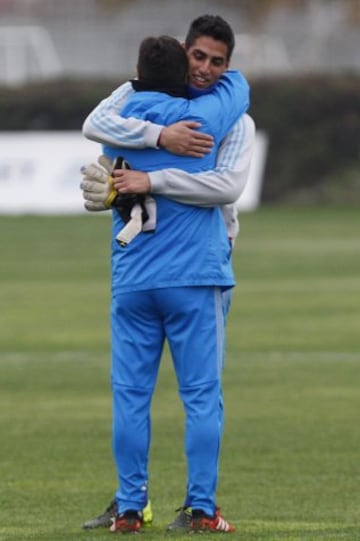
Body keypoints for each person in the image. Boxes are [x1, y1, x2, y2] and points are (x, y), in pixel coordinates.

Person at [81, 16, 255, 534]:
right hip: (195, 274)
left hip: (133, 271)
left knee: (129, 395)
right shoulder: (224, 117)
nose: (205, 69)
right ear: (184, 54)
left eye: (216, 62)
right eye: (198, 57)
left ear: (226, 63)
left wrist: (136, 178)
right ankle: (201, 509)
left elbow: (97, 133)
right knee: (202, 395)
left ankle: (130, 508)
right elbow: (225, 188)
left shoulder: (127, 111)